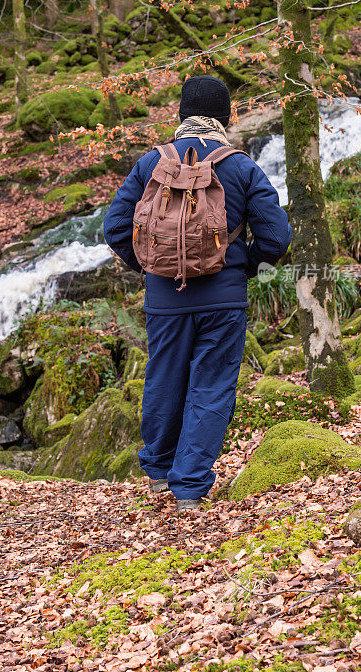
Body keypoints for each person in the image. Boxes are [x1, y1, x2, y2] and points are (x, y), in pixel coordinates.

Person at [103, 75, 292, 512]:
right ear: (224, 118)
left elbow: (114, 228)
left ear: (182, 115)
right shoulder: (242, 166)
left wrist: (150, 267)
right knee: (211, 386)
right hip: (223, 300)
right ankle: (189, 489)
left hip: (164, 300)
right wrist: (246, 266)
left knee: (163, 379)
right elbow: (276, 237)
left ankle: (157, 472)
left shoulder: (151, 163)